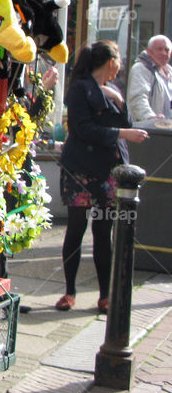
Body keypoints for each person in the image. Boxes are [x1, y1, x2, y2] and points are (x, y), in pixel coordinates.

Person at [56, 40, 148, 312]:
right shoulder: (80, 89)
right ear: (111, 62)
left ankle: (105, 295)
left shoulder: (112, 89)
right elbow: (84, 130)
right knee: (75, 230)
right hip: (80, 170)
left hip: (108, 171)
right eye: (119, 61)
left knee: (103, 232)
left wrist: (118, 99)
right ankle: (69, 291)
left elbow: (127, 123)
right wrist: (123, 134)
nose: (120, 67)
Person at [126, 34, 172, 127]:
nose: (164, 53)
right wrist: (150, 118)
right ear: (149, 51)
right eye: (159, 49)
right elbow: (138, 98)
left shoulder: (169, 71)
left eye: (167, 50)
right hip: (149, 131)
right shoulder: (141, 68)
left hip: (166, 129)